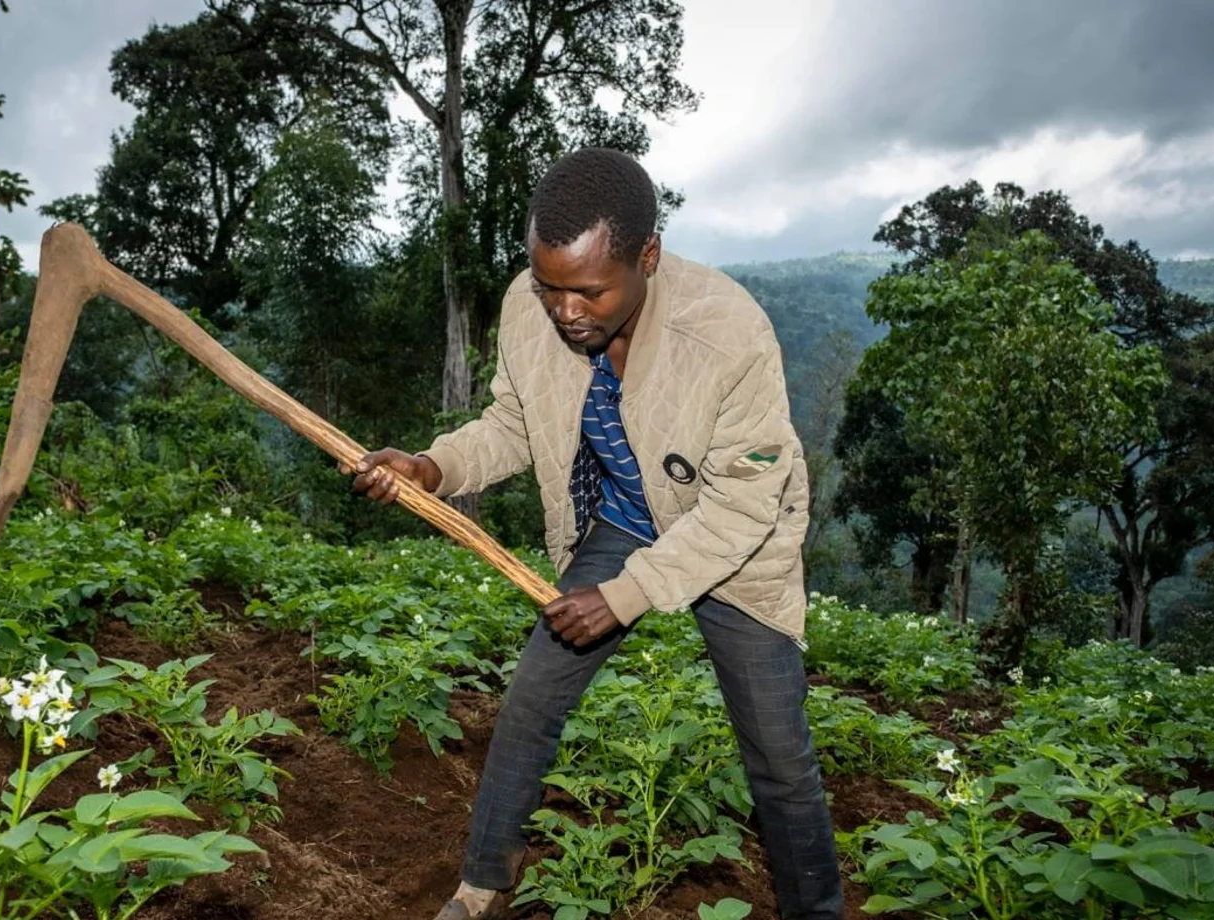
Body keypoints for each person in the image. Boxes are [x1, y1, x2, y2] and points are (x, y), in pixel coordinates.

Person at [348, 147, 843, 920]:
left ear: (647, 256)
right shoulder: (528, 303)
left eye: (587, 290)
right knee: (530, 703)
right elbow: (513, 423)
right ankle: (480, 888)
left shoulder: (729, 331)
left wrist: (627, 594)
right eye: (549, 286)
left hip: (728, 537)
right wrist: (430, 467)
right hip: (619, 513)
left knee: (779, 757)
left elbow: (743, 506)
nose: (564, 310)